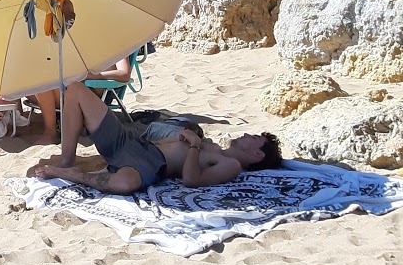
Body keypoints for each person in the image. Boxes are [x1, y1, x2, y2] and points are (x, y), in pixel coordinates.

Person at [26, 80, 282, 194]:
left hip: (148, 164)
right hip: (131, 143)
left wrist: (193, 146)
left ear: (257, 154)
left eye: (255, 137)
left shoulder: (232, 165)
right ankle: (67, 158)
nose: (248, 134)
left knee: (124, 185)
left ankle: (67, 173)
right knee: (76, 90)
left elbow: (192, 181)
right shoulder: (216, 147)